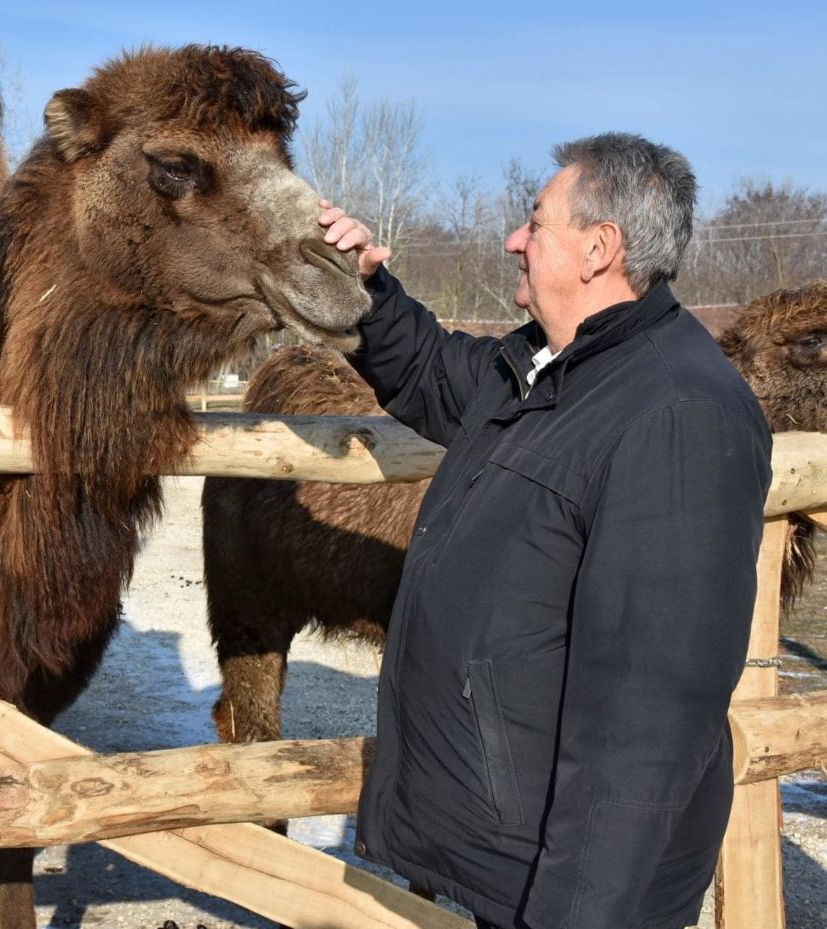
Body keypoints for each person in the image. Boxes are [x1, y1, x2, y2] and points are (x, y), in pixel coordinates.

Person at [318, 132, 772, 929]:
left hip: (575, 890)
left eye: (535, 222)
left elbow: (649, 721)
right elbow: (428, 370)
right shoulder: (547, 368)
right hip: (516, 857)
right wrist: (364, 288)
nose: (513, 240)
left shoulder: (677, 414)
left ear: (600, 248)